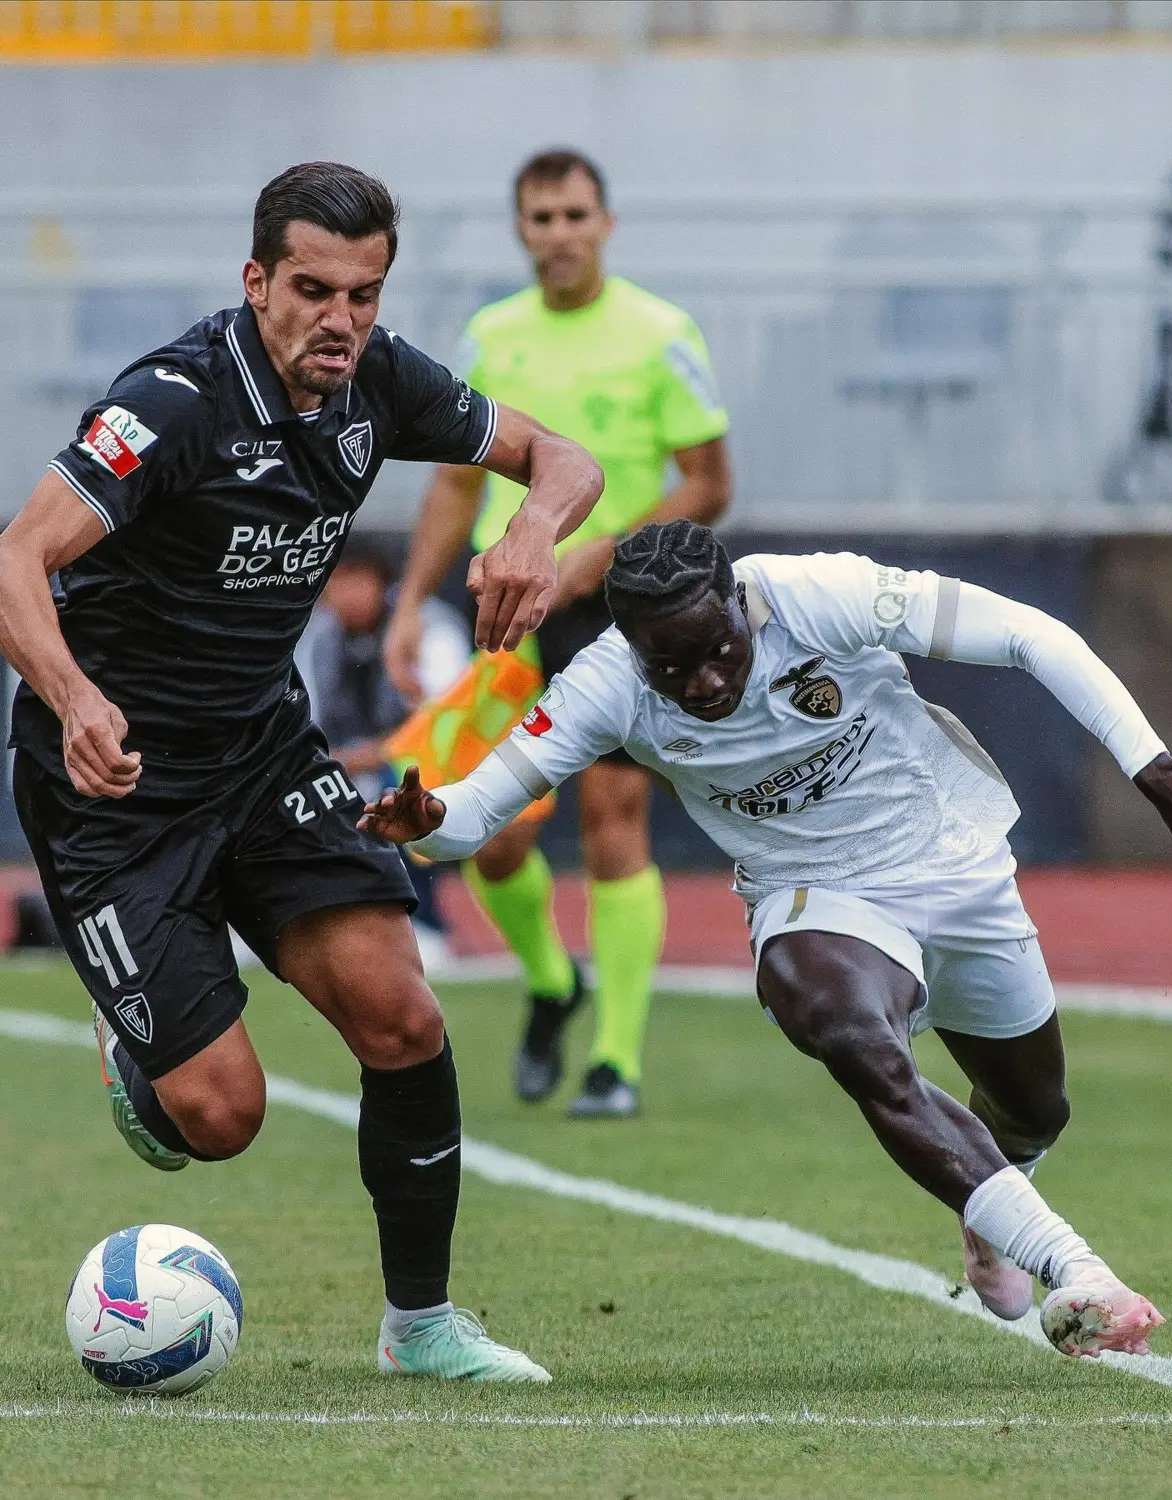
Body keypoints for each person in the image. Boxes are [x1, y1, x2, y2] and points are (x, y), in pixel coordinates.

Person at [0, 161, 603, 1384]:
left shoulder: (380, 383)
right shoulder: (169, 404)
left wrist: (533, 528)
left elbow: (567, 461)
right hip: (115, 788)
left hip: (265, 755)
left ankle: (422, 1329)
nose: (342, 321)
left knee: (404, 1015)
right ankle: (144, 1052)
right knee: (221, 1118)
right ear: (256, 282)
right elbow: (18, 559)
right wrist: (72, 698)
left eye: (366, 295)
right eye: (314, 291)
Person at [358, 519, 1172, 1359]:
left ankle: (989, 1206)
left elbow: (1027, 633)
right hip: (810, 891)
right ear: (635, 649)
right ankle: (1077, 1267)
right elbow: (476, 808)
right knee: (848, 1033)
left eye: (718, 649)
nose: (704, 682)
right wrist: (429, 818)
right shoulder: (606, 684)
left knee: (1033, 1107)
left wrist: (1157, 774)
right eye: (672, 667)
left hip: (949, 851)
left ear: (738, 602)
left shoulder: (818, 595)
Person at [384, 149, 731, 1117]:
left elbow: (709, 480)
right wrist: (413, 600)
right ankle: (548, 978)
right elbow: (455, 478)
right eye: (541, 216)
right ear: (521, 230)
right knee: (482, 832)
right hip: (512, 604)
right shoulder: (492, 336)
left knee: (613, 817)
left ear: (606, 224)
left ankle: (616, 1059)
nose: (560, 232)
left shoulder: (662, 331)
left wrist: (605, 550)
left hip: (620, 605)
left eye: (576, 213)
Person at [296, 537, 472, 971]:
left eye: (360, 580)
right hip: (347, 760)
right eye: (338, 581)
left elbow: (442, 719)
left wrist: (368, 756)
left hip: (437, 761)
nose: (348, 594)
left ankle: (426, 921)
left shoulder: (430, 626)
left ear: (383, 584)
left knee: (401, 783)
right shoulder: (315, 634)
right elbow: (306, 715)